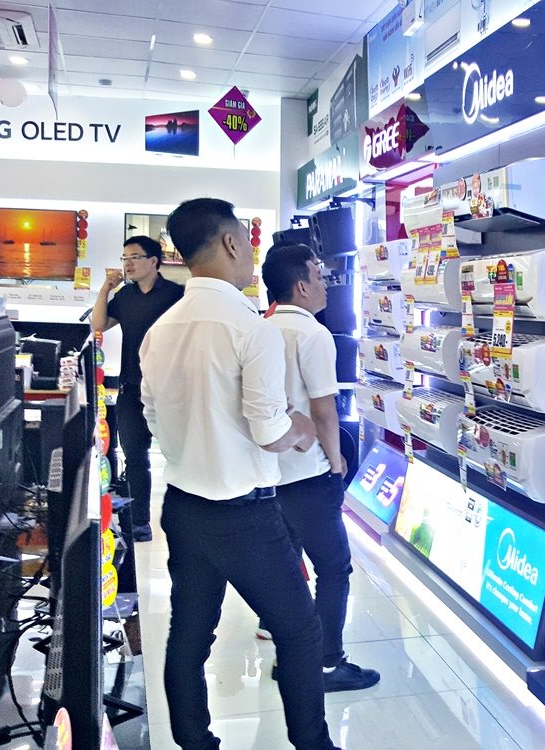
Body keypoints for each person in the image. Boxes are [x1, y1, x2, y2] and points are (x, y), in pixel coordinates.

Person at [139, 198, 340, 750]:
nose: (251, 254)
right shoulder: (252, 328)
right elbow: (270, 431)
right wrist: (302, 428)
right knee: (299, 630)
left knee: (188, 634)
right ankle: (314, 744)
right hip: (244, 515)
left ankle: (195, 742)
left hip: (182, 505)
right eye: (247, 241)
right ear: (230, 242)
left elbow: (152, 416)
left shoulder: (161, 328)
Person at [260, 242, 380, 692]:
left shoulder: (261, 327)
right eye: (318, 273)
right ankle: (327, 663)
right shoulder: (312, 334)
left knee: (286, 568)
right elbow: (324, 410)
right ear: (300, 285)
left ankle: (289, 656)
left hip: (269, 471)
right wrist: (335, 462)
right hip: (308, 475)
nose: (326, 284)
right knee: (333, 569)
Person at [91, 235, 184, 542]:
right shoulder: (125, 296)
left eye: (134, 257)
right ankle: (139, 524)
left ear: (154, 261)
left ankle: (183, 524)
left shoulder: (176, 294)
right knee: (135, 457)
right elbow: (98, 325)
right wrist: (105, 289)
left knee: (179, 457)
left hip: (171, 388)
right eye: (124, 258)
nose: (127, 264)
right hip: (132, 387)